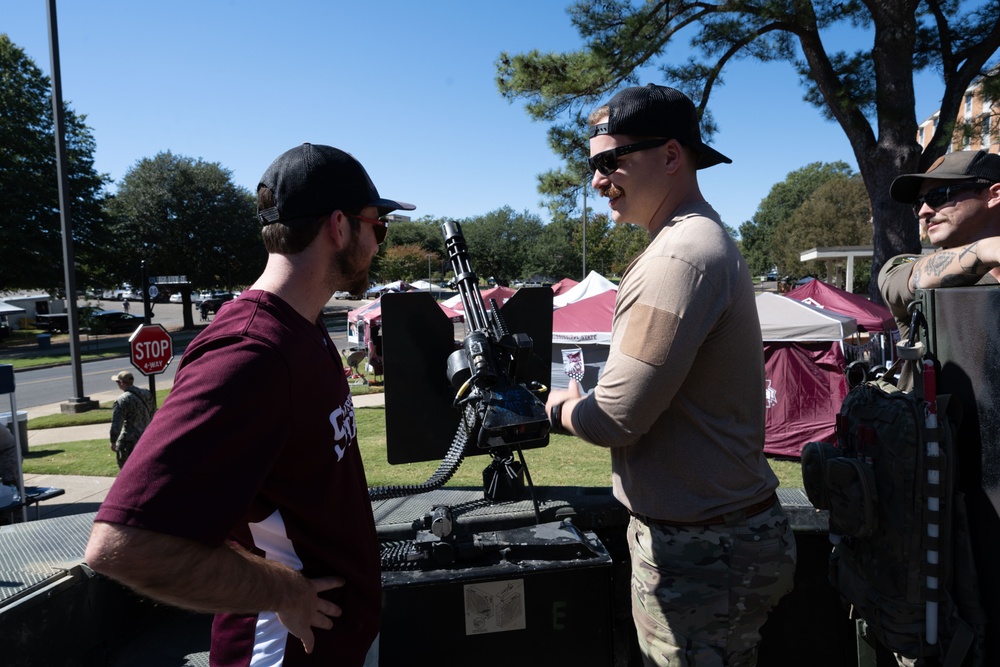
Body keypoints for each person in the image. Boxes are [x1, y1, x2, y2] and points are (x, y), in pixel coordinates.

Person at [85, 143, 414, 666]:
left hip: (334, 646)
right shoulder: (249, 352)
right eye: (378, 225)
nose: (380, 243)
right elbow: (125, 544)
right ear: (339, 226)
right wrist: (284, 592)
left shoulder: (304, 327)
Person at [545, 84, 796, 666]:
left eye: (610, 161)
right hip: (716, 539)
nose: (597, 181)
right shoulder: (697, 241)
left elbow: (614, 417)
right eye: (593, 165)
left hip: (703, 550)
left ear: (671, 155)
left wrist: (554, 406)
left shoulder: (677, 258)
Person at [879, 149, 1000, 390]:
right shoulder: (901, 267)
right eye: (917, 204)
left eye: (938, 196)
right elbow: (916, 280)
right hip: (940, 426)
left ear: (994, 194)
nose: (923, 212)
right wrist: (989, 250)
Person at [108, 370, 155, 469]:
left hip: (128, 442)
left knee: (126, 471)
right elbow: (153, 413)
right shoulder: (146, 393)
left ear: (121, 383)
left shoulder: (122, 400)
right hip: (146, 439)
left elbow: (117, 424)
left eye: (117, 382)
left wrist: (113, 441)